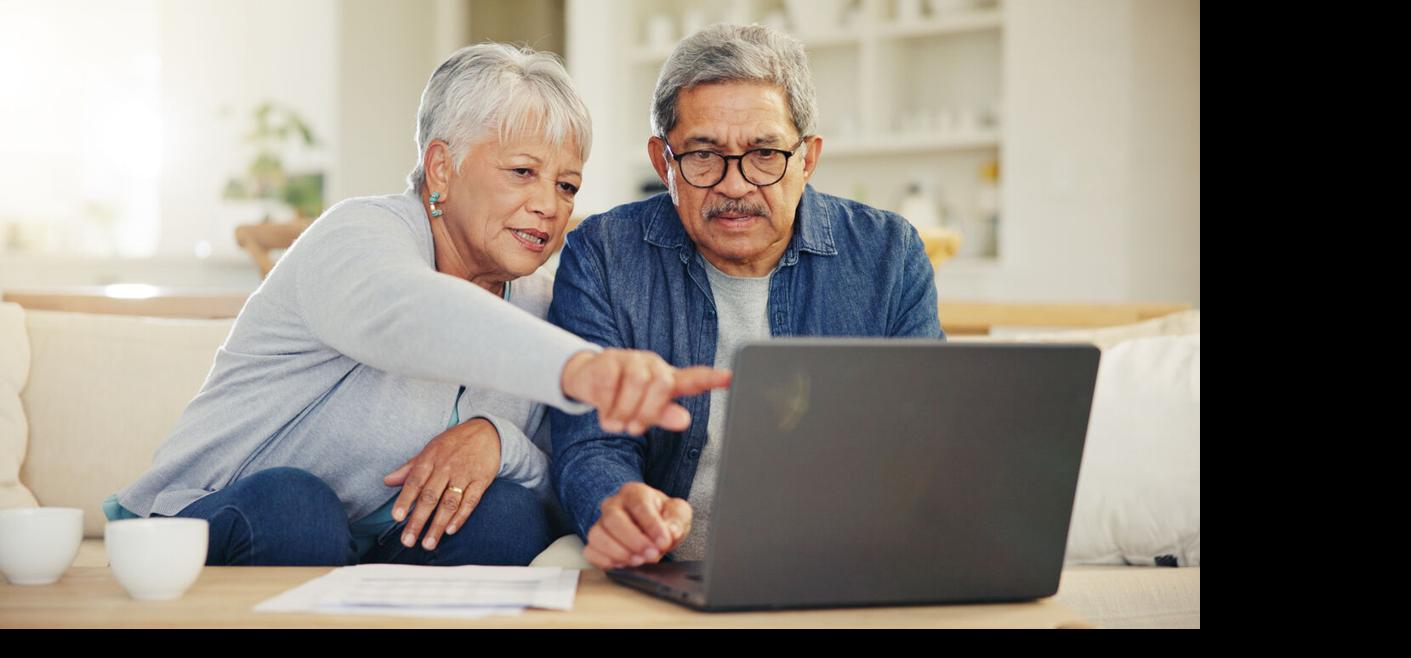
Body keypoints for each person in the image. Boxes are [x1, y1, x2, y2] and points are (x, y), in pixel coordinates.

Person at [105, 43, 730, 567]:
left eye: (566, 185)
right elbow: (408, 314)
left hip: (374, 548)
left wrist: (496, 439)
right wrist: (582, 368)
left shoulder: (540, 302)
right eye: (522, 171)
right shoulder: (357, 238)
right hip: (205, 523)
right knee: (298, 505)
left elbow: (556, 472)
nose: (550, 203)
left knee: (510, 515)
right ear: (441, 167)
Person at [548, 24, 944, 571]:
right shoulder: (603, 255)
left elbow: (923, 438)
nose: (735, 186)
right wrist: (616, 503)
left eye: (763, 154)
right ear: (664, 164)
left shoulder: (888, 254)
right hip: (664, 571)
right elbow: (589, 442)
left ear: (807, 159)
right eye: (703, 155)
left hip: (841, 569)